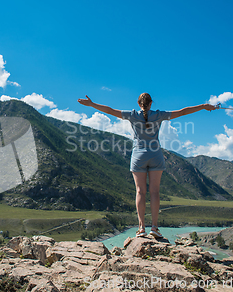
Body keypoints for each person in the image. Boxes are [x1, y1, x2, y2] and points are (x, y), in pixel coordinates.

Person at [78, 93, 216, 238]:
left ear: (139, 104)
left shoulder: (132, 115)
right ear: (151, 103)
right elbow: (182, 111)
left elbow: (110, 110)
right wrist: (202, 106)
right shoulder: (159, 115)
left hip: (139, 156)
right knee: (155, 192)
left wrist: (92, 104)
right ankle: (155, 228)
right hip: (156, 155)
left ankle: (141, 228)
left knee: (140, 192)